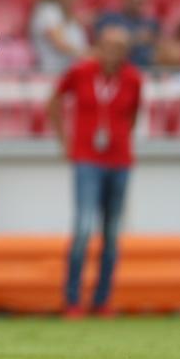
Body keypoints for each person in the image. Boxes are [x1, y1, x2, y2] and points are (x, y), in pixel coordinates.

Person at [47, 26, 142, 318]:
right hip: (87, 159)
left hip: (120, 161)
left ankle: (103, 300)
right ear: (99, 46)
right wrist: (65, 140)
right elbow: (55, 101)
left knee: (112, 232)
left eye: (120, 47)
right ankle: (72, 299)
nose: (114, 52)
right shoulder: (82, 71)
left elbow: (133, 114)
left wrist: (121, 138)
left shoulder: (133, 78)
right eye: (109, 46)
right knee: (85, 227)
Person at [94, 0, 160, 68]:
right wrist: (136, 38)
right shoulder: (109, 18)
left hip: (150, 72)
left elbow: (159, 49)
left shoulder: (152, 23)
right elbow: (104, 47)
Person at [29, 0, 88, 73]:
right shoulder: (48, 11)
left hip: (70, 70)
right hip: (52, 72)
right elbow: (59, 43)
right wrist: (88, 54)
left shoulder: (67, 14)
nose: (76, 1)